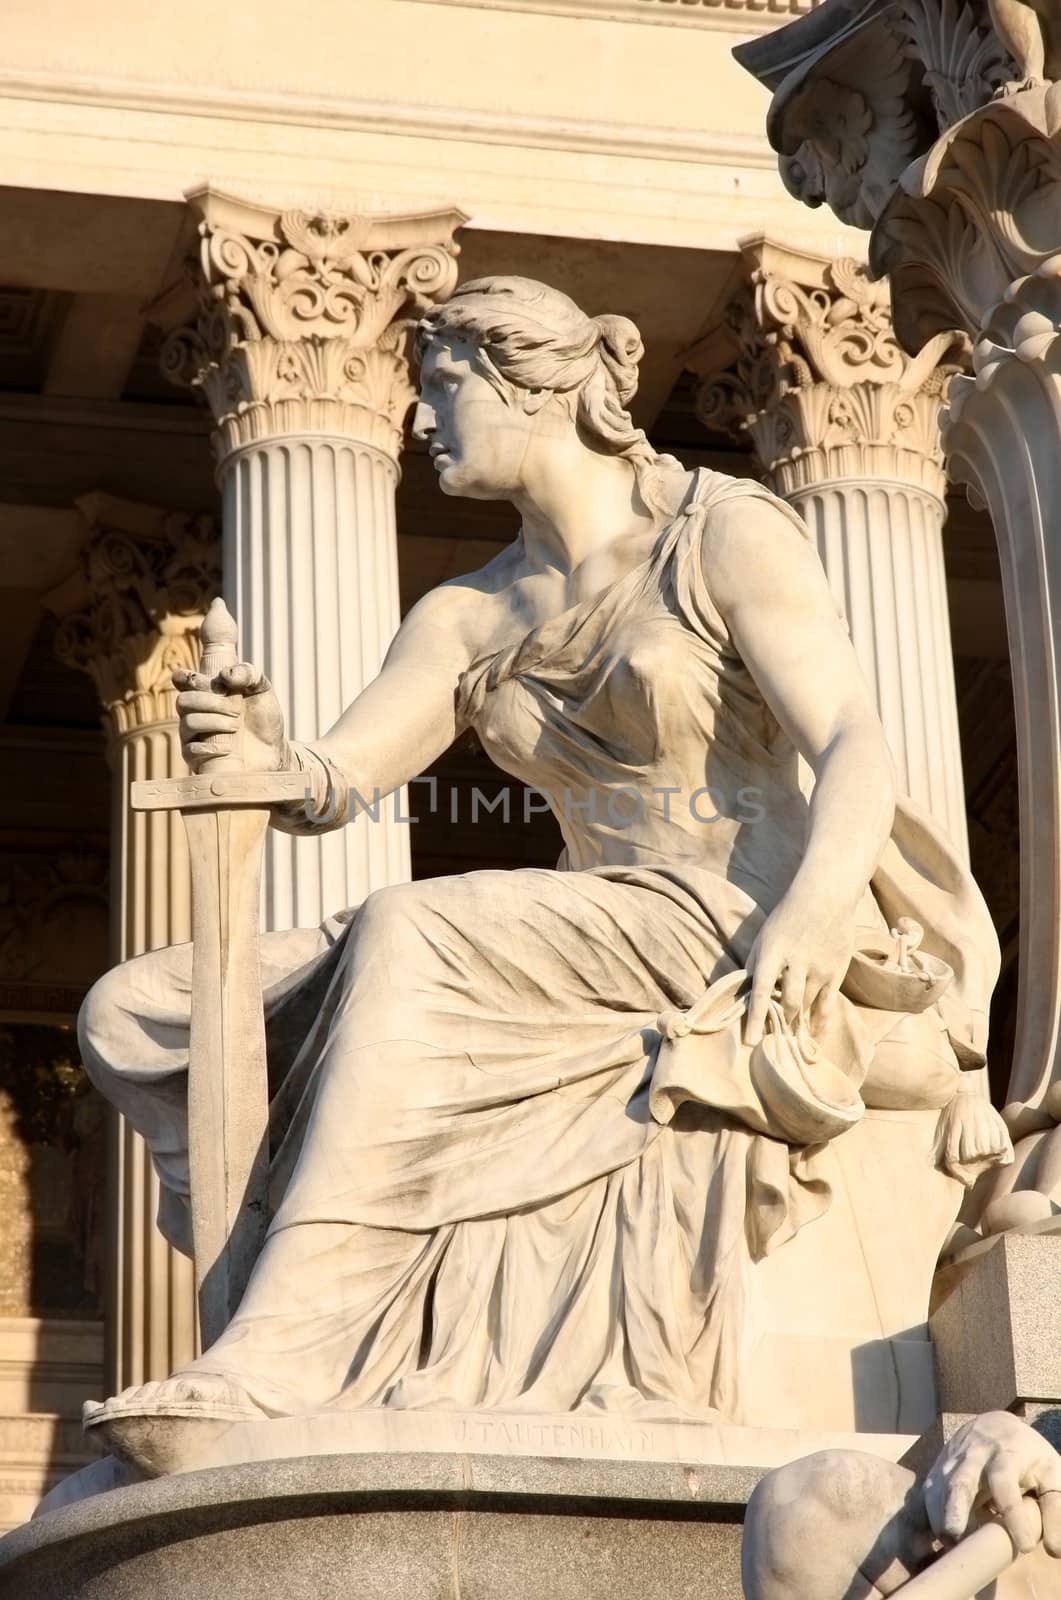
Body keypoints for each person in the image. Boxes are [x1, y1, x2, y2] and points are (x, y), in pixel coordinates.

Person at [80, 276, 1006, 1474]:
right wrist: (256, 747)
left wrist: (819, 914)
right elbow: (333, 780)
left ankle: (289, 1342)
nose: (421, 422)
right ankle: (312, 1295)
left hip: (730, 917)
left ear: (536, 385)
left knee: (413, 927)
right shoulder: (466, 615)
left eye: (443, 387)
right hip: (596, 924)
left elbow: (852, 745)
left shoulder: (719, 532)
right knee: (143, 1010)